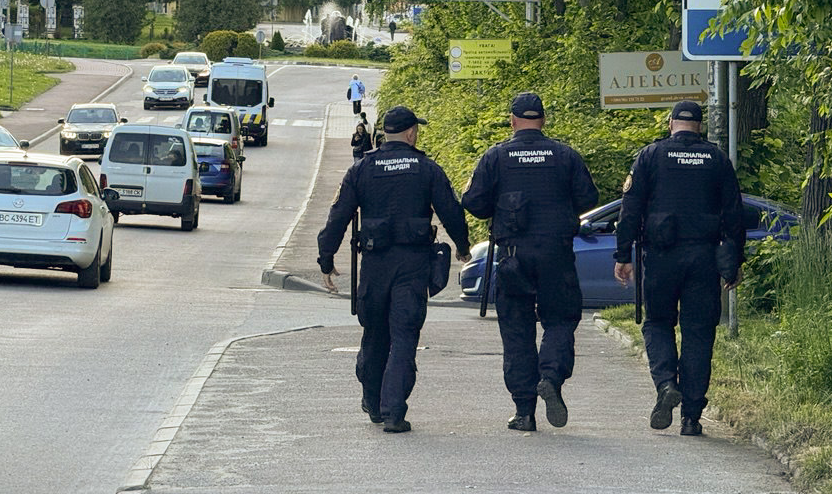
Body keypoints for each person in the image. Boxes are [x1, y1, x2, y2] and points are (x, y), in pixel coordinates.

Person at [317, 106, 472, 433]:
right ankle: (393, 411)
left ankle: (373, 402)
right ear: (412, 132)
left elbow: (338, 216)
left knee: (374, 334)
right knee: (403, 336)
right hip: (412, 266)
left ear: (384, 133)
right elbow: (451, 211)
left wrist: (326, 259)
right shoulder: (427, 169)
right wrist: (462, 246)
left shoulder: (362, 169)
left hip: (374, 267)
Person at [461, 92, 598, 431]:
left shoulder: (496, 157)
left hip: (513, 259)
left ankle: (524, 412)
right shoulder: (565, 155)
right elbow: (588, 198)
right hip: (556, 255)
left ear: (512, 121)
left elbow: (474, 203)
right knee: (561, 320)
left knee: (517, 331)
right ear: (544, 120)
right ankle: (550, 377)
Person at [613, 100, 744, 437]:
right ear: (699, 126)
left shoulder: (651, 156)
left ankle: (666, 383)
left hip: (661, 258)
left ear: (671, 123)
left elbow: (630, 208)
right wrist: (734, 263)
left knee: (657, 323)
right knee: (699, 334)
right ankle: (691, 417)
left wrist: (622, 254)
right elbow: (734, 213)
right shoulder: (717, 159)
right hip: (703, 259)